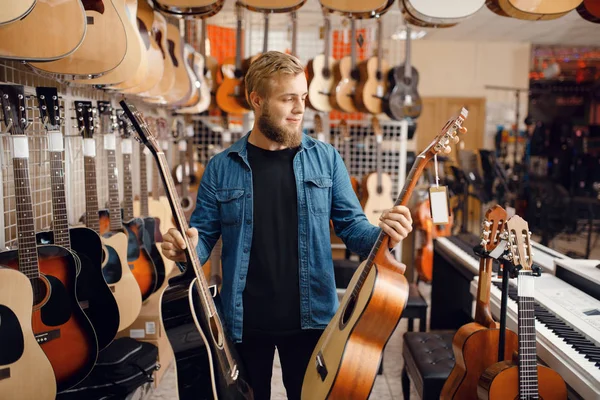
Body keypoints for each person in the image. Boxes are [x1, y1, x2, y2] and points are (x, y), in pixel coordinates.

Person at [161, 51, 414, 400]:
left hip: (311, 322)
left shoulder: (325, 159)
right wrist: (185, 248)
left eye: (304, 97)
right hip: (243, 324)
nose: (300, 109)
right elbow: (202, 238)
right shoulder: (221, 167)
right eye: (288, 99)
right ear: (257, 100)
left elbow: (354, 228)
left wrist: (386, 235)